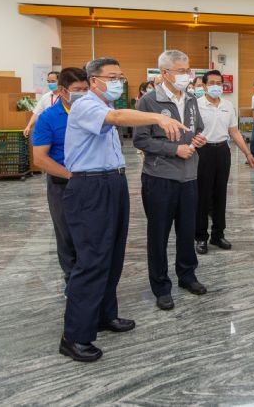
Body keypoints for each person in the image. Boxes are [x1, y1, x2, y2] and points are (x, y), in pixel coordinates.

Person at [60, 57, 187, 362]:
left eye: (120, 76)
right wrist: (158, 118)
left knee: (113, 255)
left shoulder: (102, 105)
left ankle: (104, 315)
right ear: (94, 81)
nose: (118, 82)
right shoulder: (85, 105)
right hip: (91, 187)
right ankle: (75, 336)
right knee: (92, 260)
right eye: (112, 77)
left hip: (112, 182)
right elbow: (117, 117)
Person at [134, 50, 208, 311]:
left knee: (187, 230)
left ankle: (187, 275)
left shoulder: (191, 99)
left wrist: (198, 139)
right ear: (165, 73)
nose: (187, 75)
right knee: (159, 234)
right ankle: (161, 286)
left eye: (188, 70)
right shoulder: (148, 101)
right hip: (160, 177)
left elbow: (197, 127)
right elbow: (140, 140)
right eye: (181, 71)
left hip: (189, 176)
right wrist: (174, 149)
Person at [31, 67, 87, 285]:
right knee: (66, 233)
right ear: (63, 91)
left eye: (85, 89)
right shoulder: (49, 118)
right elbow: (40, 158)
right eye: (77, 90)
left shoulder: (93, 112)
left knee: (91, 232)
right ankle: (72, 280)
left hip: (92, 182)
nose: (83, 94)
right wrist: (70, 175)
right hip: (63, 183)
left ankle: (90, 277)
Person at [195, 70, 254, 254]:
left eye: (219, 83)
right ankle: (200, 236)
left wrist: (247, 153)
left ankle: (218, 234)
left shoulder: (228, 105)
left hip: (222, 151)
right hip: (202, 152)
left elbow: (234, 131)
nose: (216, 86)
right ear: (204, 85)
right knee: (203, 196)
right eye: (211, 83)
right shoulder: (196, 105)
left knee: (220, 194)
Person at [24, 71, 61, 137]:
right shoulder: (45, 97)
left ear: (60, 82)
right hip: (48, 128)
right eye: (48, 81)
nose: (50, 84)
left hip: (61, 127)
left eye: (53, 81)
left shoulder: (65, 96)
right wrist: (29, 126)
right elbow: (37, 113)